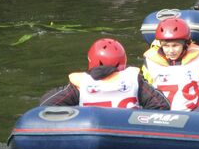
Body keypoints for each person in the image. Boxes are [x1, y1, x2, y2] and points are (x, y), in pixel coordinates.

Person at [39, 38, 170, 109]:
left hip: (86, 134)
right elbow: (162, 104)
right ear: (122, 60)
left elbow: (46, 104)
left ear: (92, 60)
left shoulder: (80, 84)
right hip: (129, 134)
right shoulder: (134, 80)